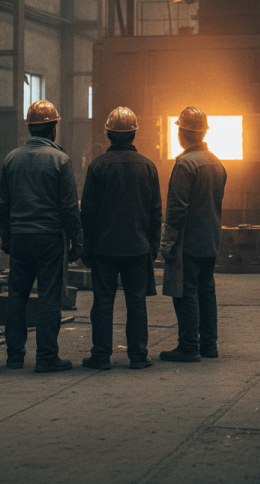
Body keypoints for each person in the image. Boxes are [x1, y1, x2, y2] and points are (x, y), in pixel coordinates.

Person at [0, 99, 83, 373]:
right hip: (49, 239)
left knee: (17, 297)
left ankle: (14, 357)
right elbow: (69, 207)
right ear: (53, 128)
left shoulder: (11, 159)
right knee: (49, 297)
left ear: (30, 128)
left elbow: (4, 205)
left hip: (20, 237)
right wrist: (77, 241)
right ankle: (46, 357)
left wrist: (7, 238)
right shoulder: (61, 160)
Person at [80, 107, 162, 370]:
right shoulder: (148, 167)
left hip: (104, 248)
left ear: (108, 134)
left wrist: (86, 248)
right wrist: (153, 247)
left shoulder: (97, 166)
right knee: (136, 303)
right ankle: (138, 356)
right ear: (134, 134)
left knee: (103, 303)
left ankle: (101, 356)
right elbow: (155, 212)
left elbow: (87, 212)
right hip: (138, 247)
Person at [159, 107, 227, 363]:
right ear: (203, 133)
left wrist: (168, 242)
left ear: (182, 133)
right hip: (211, 239)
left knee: (186, 292)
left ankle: (188, 346)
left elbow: (177, 209)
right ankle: (209, 345)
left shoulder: (185, 164)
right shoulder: (217, 163)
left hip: (188, 242)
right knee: (206, 291)